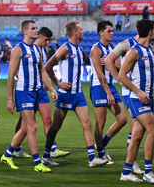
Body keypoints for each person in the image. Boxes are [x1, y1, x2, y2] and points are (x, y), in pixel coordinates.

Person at [41, 21, 109, 168]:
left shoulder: (79, 49)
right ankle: (46, 155)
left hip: (78, 94)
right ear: (74, 32)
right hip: (65, 94)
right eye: (81, 29)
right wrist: (58, 84)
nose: (83, 31)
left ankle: (92, 158)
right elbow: (47, 67)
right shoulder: (65, 48)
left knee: (87, 123)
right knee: (56, 126)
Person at [0, 20, 56, 173]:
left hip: (37, 91)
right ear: (25, 31)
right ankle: (38, 163)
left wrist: (51, 88)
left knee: (25, 128)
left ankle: (7, 155)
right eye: (32, 28)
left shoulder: (37, 50)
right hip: (24, 92)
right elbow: (11, 75)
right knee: (33, 127)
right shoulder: (18, 49)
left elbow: (42, 71)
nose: (35, 30)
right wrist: (10, 99)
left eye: (36, 28)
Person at [118, 19, 154, 184]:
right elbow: (121, 76)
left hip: (149, 98)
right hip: (137, 99)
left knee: (137, 135)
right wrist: (138, 92)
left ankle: (126, 172)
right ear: (150, 32)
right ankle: (148, 171)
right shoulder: (134, 51)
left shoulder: (150, 50)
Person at [104, 29, 143, 175]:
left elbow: (120, 64)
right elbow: (109, 60)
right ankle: (131, 164)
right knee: (135, 127)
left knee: (136, 127)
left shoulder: (146, 46)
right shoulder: (128, 44)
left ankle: (102, 145)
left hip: (140, 91)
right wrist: (119, 78)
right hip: (130, 90)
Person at [90, 21, 128, 165]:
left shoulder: (112, 48)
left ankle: (102, 144)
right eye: (109, 31)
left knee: (123, 119)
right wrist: (108, 93)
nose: (112, 33)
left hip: (111, 85)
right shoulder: (96, 49)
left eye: (112, 31)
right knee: (101, 122)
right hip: (99, 87)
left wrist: (110, 62)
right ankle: (100, 155)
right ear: (101, 32)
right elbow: (99, 74)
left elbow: (119, 65)